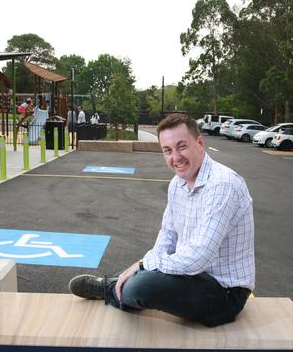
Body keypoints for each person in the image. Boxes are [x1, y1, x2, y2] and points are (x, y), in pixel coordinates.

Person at [68, 113, 255, 327]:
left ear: (200, 143)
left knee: (142, 286)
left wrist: (144, 265)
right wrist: (145, 265)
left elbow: (198, 257)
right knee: (138, 275)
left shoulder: (222, 185)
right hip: (191, 276)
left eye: (182, 146)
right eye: (167, 150)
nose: (175, 158)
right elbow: (167, 236)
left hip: (225, 293)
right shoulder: (177, 184)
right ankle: (116, 285)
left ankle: (108, 289)